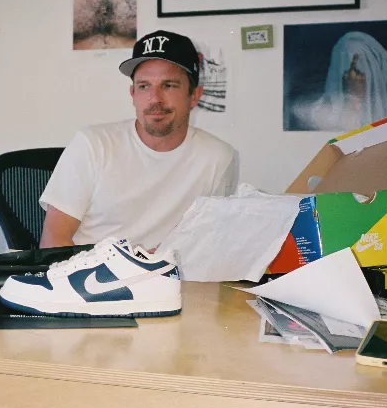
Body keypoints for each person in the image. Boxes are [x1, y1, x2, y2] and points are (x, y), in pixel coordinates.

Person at [39, 30, 238, 250]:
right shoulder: (93, 144)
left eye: (169, 85)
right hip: (90, 278)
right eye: (144, 86)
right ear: (132, 93)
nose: (155, 99)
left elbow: (209, 245)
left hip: (169, 280)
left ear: (194, 95)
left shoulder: (218, 157)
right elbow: (52, 243)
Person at [290, 31, 387, 131]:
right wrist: (353, 101)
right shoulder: (314, 115)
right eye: (343, 68)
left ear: (374, 75)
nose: (348, 76)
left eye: (358, 70)